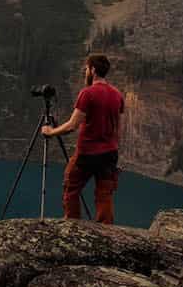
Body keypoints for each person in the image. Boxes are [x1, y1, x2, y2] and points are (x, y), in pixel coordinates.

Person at [42, 54, 124, 223]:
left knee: (71, 187)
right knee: (104, 194)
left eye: (86, 68)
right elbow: (117, 127)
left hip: (87, 153)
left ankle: (73, 227)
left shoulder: (87, 93)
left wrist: (51, 132)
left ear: (93, 70)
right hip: (110, 153)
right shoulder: (117, 95)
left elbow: (72, 125)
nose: (85, 72)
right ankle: (106, 235)